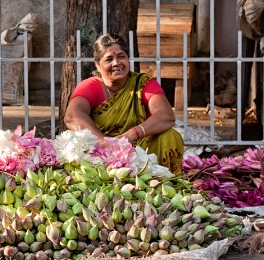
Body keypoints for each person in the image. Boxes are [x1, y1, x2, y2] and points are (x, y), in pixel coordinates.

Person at [64, 33, 184, 175]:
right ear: (98, 65)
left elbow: (166, 116)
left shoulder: (142, 83)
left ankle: (165, 183)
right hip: (102, 155)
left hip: (140, 152)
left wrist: (129, 136)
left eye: (121, 56)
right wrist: (106, 143)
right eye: (109, 59)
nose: (116, 63)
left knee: (170, 135)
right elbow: (72, 116)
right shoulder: (90, 86)